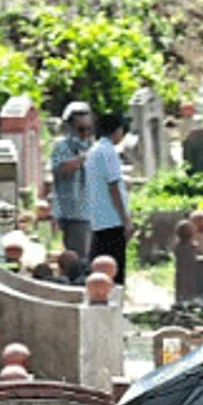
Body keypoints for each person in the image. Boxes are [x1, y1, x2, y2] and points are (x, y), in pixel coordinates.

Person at [85, 111, 131, 283]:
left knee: (99, 264)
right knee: (114, 268)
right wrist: (126, 220)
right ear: (117, 130)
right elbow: (114, 187)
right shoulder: (108, 151)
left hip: (98, 218)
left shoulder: (94, 151)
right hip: (112, 219)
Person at [48, 101, 93, 269]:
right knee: (75, 259)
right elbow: (60, 171)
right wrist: (81, 159)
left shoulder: (92, 146)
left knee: (84, 258)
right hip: (70, 209)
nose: (85, 133)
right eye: (81, 129)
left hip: (87, 210)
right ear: (71, 128)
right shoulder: (62, 147)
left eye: (89, 129)